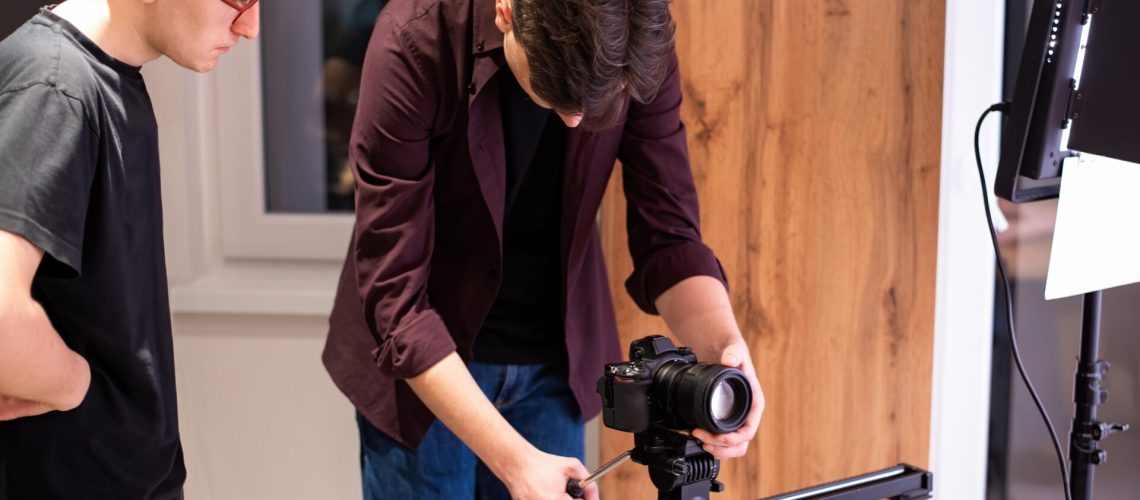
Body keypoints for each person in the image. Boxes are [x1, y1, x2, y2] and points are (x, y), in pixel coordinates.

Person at [322, 0, 766, 498]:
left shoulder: (637, 38)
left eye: (601, 105)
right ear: (507, 11)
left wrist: (723, 351)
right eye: (558, 95)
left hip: (554, 365)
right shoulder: (412, 40)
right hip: (425, 371)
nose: (576, 122)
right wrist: (514, 460)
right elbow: (397, 301)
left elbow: (669, 234)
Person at [0, 0, 259, 497]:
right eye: (238, 0)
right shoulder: (55, 87)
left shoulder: (109, 80)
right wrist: (76, 384)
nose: (250, 28)